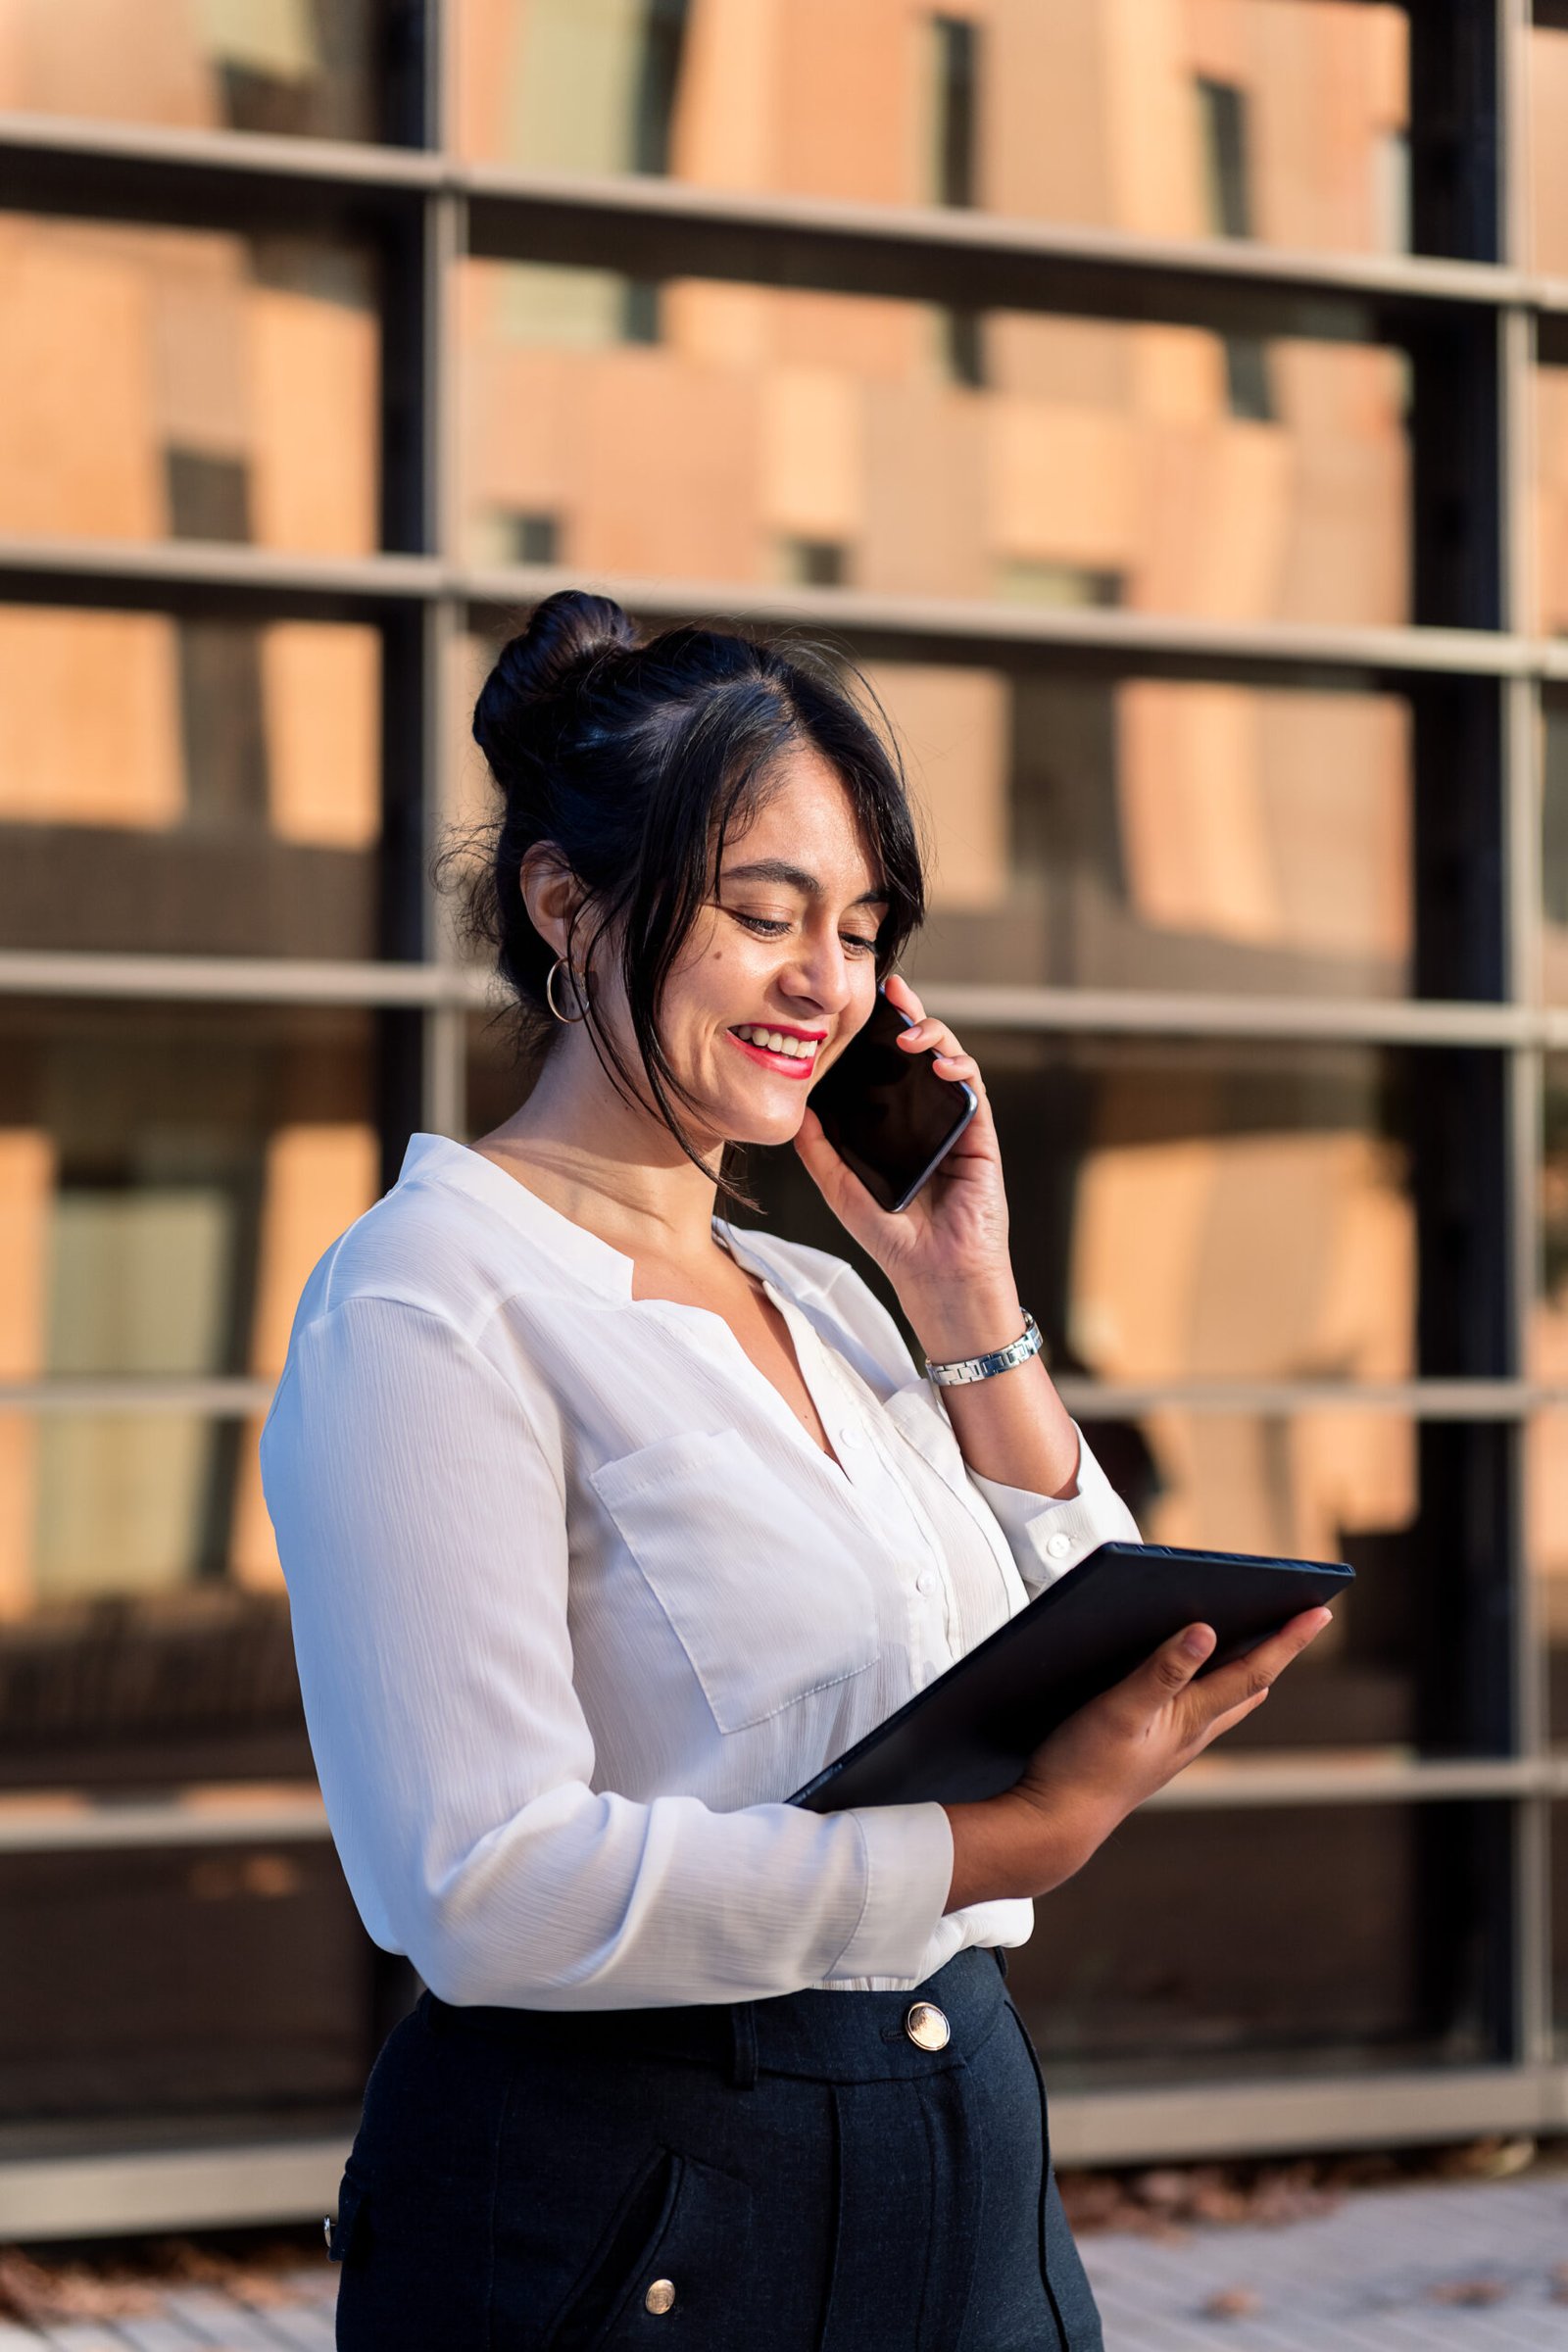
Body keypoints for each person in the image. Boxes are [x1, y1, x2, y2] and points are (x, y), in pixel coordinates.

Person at [261, 592, 1330, 2352]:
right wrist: (999, 1841)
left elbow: (1095, 1634)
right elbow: (479, 1888)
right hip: (641, 2209)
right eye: (764, 916)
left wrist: (967, 1297)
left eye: (861, 926)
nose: (826, 983)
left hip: (962, 2164)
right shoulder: (429, 1302)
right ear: (564, 903)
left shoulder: (826, 1293)